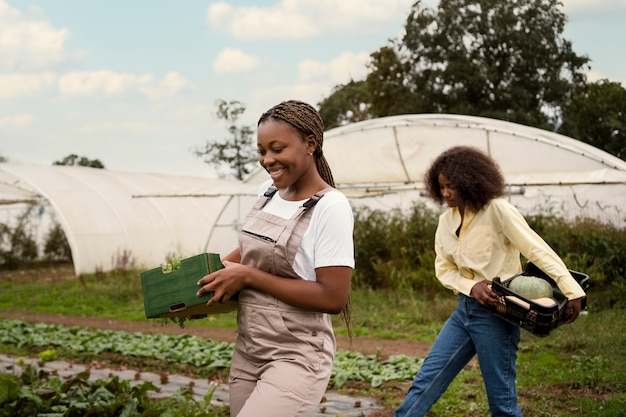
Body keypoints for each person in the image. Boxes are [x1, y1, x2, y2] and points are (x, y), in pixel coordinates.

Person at [394, 146, 586, 417]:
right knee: (425, 383)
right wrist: (471, 286)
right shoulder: (445, 222)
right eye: (441, 186)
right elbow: (444, 268)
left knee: (502, 403)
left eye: (451, 186)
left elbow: (536, 249)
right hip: (464, 312)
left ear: (469, 182)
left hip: (499, 314)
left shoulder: (497, 210)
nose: (445, 193)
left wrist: (571, 289)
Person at [196, 100, 354, 417]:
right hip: (249, 348)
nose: (268, 160)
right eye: (262, 151)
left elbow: (333, 297)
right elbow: (250, 252)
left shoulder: (330, 207)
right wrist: (196, 285)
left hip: (296, 354)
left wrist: (248, 276)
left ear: (310, 143)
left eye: (277, 149)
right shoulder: (265, 193)